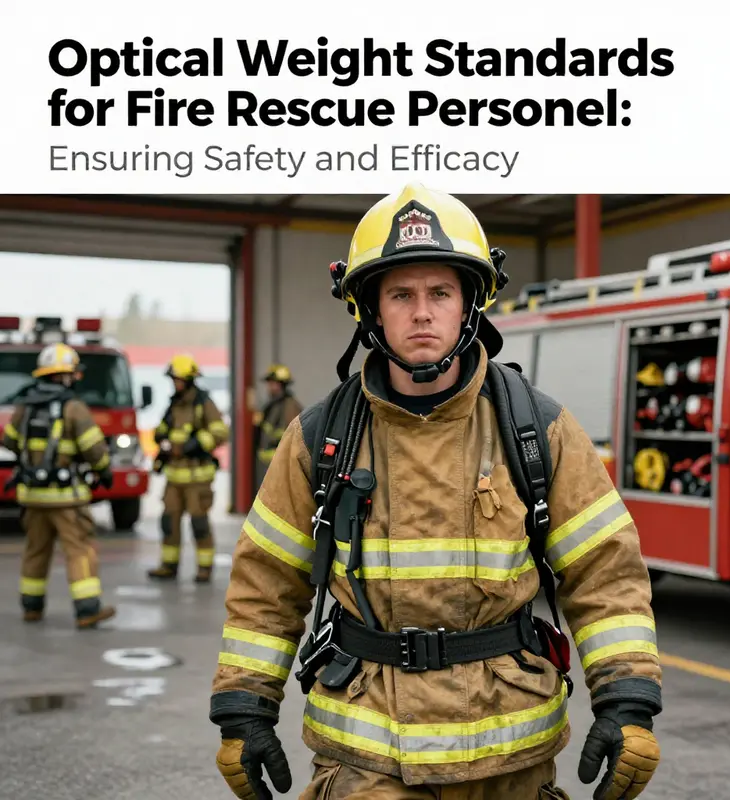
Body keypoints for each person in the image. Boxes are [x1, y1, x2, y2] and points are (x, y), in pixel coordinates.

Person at [209, 184, 663, 800]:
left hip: (508, 762)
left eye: (440, 293)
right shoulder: (318, 438)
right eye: (401, 294)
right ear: (370, 309)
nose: (422, 312)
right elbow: (267, 582)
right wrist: (244, 709)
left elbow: (605, 573)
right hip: (367, 763)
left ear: (470, 303)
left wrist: (626, 701)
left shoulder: (538, 428)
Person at [1, 342, 116, 629]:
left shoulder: (24, 407)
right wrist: (104, 471)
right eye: (73, 374)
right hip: (66, 499)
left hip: (32, 497)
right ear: (64, 375)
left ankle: (31, 607)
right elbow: (94, 449)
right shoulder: (74, 408)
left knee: (35, 550)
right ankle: (87, 609)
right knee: (79, 551)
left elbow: (9, 441)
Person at [147, 353, 229, 583]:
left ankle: (204, 568)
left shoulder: (204, 403)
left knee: (199, 524)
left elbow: (221, 432)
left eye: (178, 379)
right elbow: (162, 429)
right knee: (169, 523)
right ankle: (168, 565)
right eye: (173, 379)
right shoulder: (174, 404)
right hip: (174, 478)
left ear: (189, 380)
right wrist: (161, 437)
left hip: (197, 478)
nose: (175, 383)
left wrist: (195, 444)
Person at [253, 363, 303, 484]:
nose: (269, 387)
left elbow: (293, 436)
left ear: (281, 385)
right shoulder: (272, 405)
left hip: (280, 463)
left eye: (272, 384)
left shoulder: (290, 406)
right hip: (268, 464)